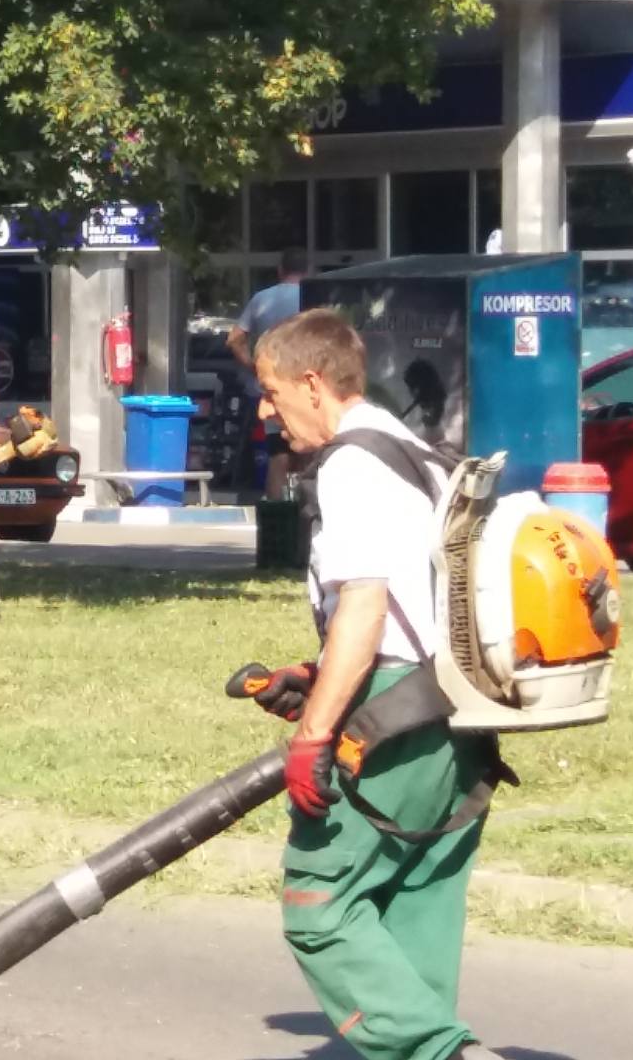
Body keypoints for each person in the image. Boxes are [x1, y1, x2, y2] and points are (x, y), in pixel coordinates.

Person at [249, 308, 503, 1060]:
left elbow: (365, 609)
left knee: (320, 906)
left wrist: (313, 735)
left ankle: (444, 1054)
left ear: (312, 383)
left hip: (390, 722)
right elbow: (416, 605)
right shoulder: (416, 451)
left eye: (270, 391)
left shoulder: (352, 466)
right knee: (414, 910)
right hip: (456, 713)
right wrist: (316, 673)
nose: (265, 411)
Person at [227, 246, 308, 499]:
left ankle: (275, 509)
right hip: (307, 385)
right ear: (308, 271)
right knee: (307, 452)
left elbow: (234, 340)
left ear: (280, 270)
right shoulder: (313, 297)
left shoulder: (261, 299)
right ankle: (306, 506)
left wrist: (254, 366)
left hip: (272, 387)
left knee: (277, 453)